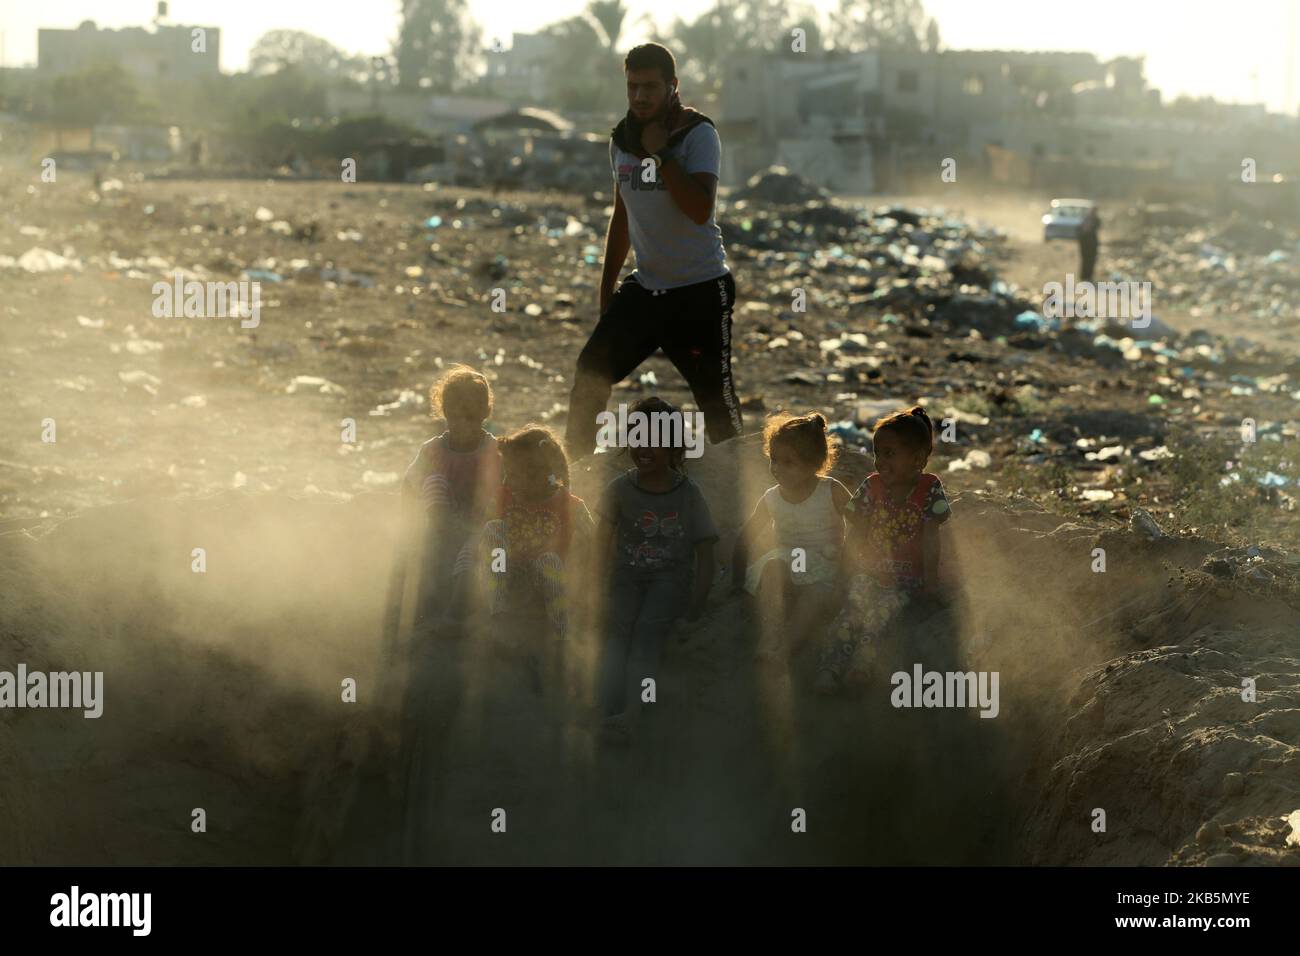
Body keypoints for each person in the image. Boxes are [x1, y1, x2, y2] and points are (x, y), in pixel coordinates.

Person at [563, 42, 743, 461]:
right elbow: (621, 216)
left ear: (672, 87)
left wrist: (662, 153)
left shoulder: (698, 135)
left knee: (716, 399)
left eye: (649, 87)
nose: (640, 97)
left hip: (700, 289)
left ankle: (739, 487)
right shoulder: (622, 142)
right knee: (590, 371)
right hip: (647, 288)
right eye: (632, 88)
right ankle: (574, 476)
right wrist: (607, 287)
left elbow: (700, 209)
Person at [591, 397, 719, 743]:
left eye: (654, 439)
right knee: (616, 629)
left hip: (670, 582)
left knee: (647, 633)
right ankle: (607, 709)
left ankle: (638, 709)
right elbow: (600, 542)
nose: (643, 447)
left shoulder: (688, 494)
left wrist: (697, 606)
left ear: (675, 446)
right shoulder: (620, 489)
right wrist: (593, 590)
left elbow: (706, 553)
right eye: (636, 437)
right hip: (626, 577)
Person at [817, 406, 952, 695]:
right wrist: (844, 572)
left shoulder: (929, 489)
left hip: (908, 580)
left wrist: (930, 581)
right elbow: (855, 533)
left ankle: (862, 669)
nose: (880, 461)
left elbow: (931, 536)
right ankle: (830, 668)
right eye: (877, 452)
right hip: (870, 573)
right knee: (850, 614)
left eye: (890, 453)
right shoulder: (871, 486)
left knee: (879, 617)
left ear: (917, 459)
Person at [733, 413, 851, 666]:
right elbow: (749, 532)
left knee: (814, 596)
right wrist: (736, 575)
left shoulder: (831, 490)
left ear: (813, 464)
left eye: (789, 462)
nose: (777, 468)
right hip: (785, 560)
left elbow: (860, 524)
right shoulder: (772, 497)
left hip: (822, 565)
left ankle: (785, 649)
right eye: (774, 460)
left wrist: (848, 566)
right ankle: (768, 638)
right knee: (772, 570)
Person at [397, 365, 503, 633]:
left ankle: (457, 614)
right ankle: (426, 606)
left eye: (470, 417)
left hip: (478, 528)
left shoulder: (495, 451)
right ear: (444, 413)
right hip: (440, 525)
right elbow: (410, 486)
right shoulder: (432, 450)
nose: (462, 425)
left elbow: (506, 494)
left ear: (484, 415)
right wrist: (408, 527)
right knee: (434, 482)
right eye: (454, 417)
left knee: (469, 559)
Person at [480, 425, 594, 643]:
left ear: (545, 473)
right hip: (507, 575)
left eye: (518, 475)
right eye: (508, 473)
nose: (510, 482)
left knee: (549, 561)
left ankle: (560, 630)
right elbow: (483, 534)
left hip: (547, 580)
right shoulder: (504, 496)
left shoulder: (570, 506)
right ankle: (497, 612)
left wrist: (586, 584)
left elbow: (594, 542)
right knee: (493, 529)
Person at [1078, 206, 1100, 283]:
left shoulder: (1096, 220)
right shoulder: (1085, 219)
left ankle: (1089, 276)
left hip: (1092, 243)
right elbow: (1080, 231)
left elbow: (1096, 229)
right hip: (1084, 243)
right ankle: (1084, 276)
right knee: (1085, 260)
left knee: (1091, 260)